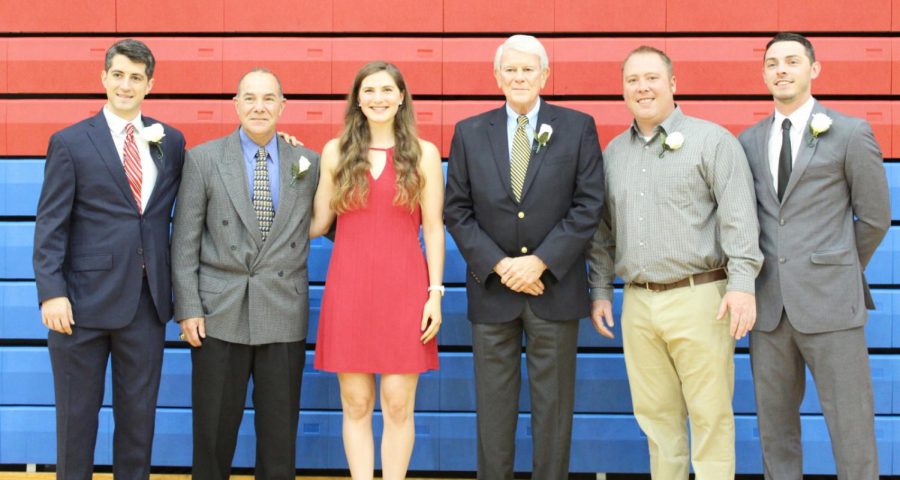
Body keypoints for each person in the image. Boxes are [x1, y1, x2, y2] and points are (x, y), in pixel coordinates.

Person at [587, 46, 763, 479]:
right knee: (656, 419)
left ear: (673, 84)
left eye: (651, 78)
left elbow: (740, 219)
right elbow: (602, 234)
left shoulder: (713, 141)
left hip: (701, 297)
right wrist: (601, 291)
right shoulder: (613, 154)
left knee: (710, 416)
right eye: (633, 81)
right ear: (623, 90)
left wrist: (742, 285)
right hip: (639, 303)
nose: (642, 88)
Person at [444, 35, 604, 479]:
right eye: (510, 70)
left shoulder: (577, 126)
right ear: (497, 77)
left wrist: (541, 262)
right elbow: (456, 209)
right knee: (493, 411)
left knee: (553, 412)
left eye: (527, 69)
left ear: (544, 75)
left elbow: (589, 203)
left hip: (554, 289)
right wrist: (500, 265)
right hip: (493, 291)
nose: (518, 77)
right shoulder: (470, 131)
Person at [738, 32, 890, 479]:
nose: (781, 70)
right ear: (764, 73)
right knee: (775, 430)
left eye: (791, 61)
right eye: (772, 63)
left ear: (813, 69)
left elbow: (876, 218)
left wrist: (838, 267)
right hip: (769, 309)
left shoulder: (848, 132)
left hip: (832, 305)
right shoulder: (748, 141)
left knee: (852, 427)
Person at [32, 38, 186, 480]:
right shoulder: (70, 142)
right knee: (76, 420)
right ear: (103, 77)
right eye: (117, 74)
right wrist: (52, 293)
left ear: (150, 84)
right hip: (80, 305)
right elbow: (50, 225)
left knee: (139, 422)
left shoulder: (170, 141)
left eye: (136, 77)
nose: (126, 84)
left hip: (147, 302)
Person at [171, 68, 320, 480]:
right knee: (213, 435)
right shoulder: (202, 159)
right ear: (235, 104)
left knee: (278, 439)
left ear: (282, 106)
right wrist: (187, 308)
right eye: (249, 98)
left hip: (282, 311)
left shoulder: (308, 162)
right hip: (218, 313)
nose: (259, 106)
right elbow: (183, 242)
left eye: (268, 98)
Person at [310, 61, 444, 480]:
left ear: (402, 97)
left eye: (387, 90)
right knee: (356, 401)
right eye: (369, 90)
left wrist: (435, 293)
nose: (378, 98)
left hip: (405, 290)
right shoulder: (336, 152)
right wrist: (285, 155)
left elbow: (434, 227)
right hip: (349, 289)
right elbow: (316, 223)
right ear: (357, 99)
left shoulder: (423, 153)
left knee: (398, 402)